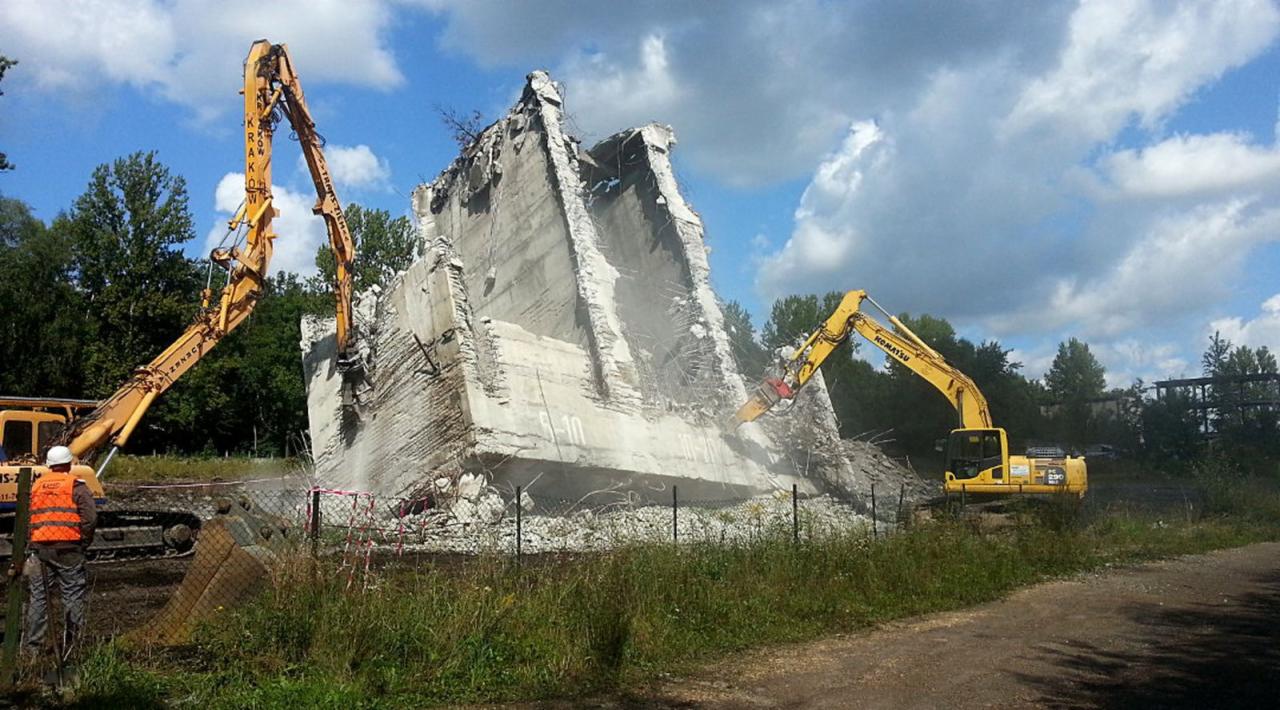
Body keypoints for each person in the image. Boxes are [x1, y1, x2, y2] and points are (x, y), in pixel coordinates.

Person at [23, 445, 97, 657]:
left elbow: (30, 518)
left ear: (48, 465)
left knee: (38, 599)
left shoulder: (36, 486)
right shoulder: (76, 486)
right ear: (69, 463)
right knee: (72, 597)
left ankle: (33, 650)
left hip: (40, 550)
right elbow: (90, 518)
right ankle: (72, 647)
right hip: (69, 549)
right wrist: (84, 541)